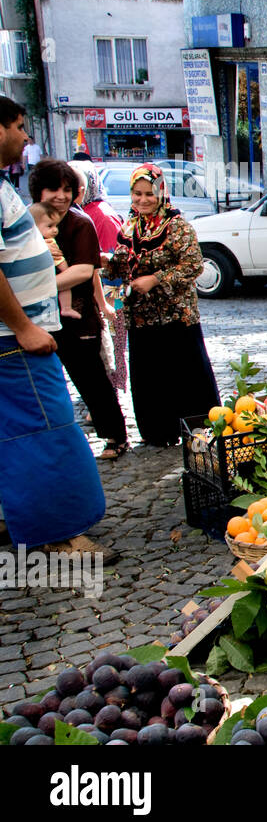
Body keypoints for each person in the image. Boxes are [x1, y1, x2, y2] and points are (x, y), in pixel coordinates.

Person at [0, 97, 111, 557]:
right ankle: (59, 534)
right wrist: (24, 326)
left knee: (16, 432)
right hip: (15, 341)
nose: (26, 137)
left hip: (15, 336)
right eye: (20, 126)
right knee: (48, 429)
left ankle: (22, 518)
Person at [102, 163, 220, 447]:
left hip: (177, 317)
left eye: (148, 194)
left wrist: (155, 279)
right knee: (150, 378)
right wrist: (110, 265)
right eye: (137, 194)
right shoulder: (129, 227)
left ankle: (199, 433)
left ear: (161, 192)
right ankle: (158, 431)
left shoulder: (177, 226)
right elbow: (122, 264)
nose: (143, 200)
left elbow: (193, 265)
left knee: (187, 375)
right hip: (141, 318)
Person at [29, 160, 130, 459]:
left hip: (78, 315)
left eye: (67, 189)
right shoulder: (27, 221)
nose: (61, 195)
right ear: (39, 191)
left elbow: (86, 271)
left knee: (92, 380)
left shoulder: (79, 222)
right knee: (43, 385)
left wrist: (41, 287)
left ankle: (115, 435)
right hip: (37, 317)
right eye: (53, 189)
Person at [70, 159, 127, 395]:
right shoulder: (81, 212)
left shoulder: (101, 215)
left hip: (108, 293)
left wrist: (109, 304)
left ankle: (110, 391)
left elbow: (115, 262)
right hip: (93, 294)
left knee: (112, 347)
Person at [28, 202, 80, 320]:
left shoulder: (30, 243)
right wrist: (66, 270)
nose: (55, 230)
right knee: (66, 286)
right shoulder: (48, 243)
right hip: (50, 278)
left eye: (56, 225)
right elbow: (61, 264)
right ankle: (66, 308)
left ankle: (65, 308)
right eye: (50, 226)